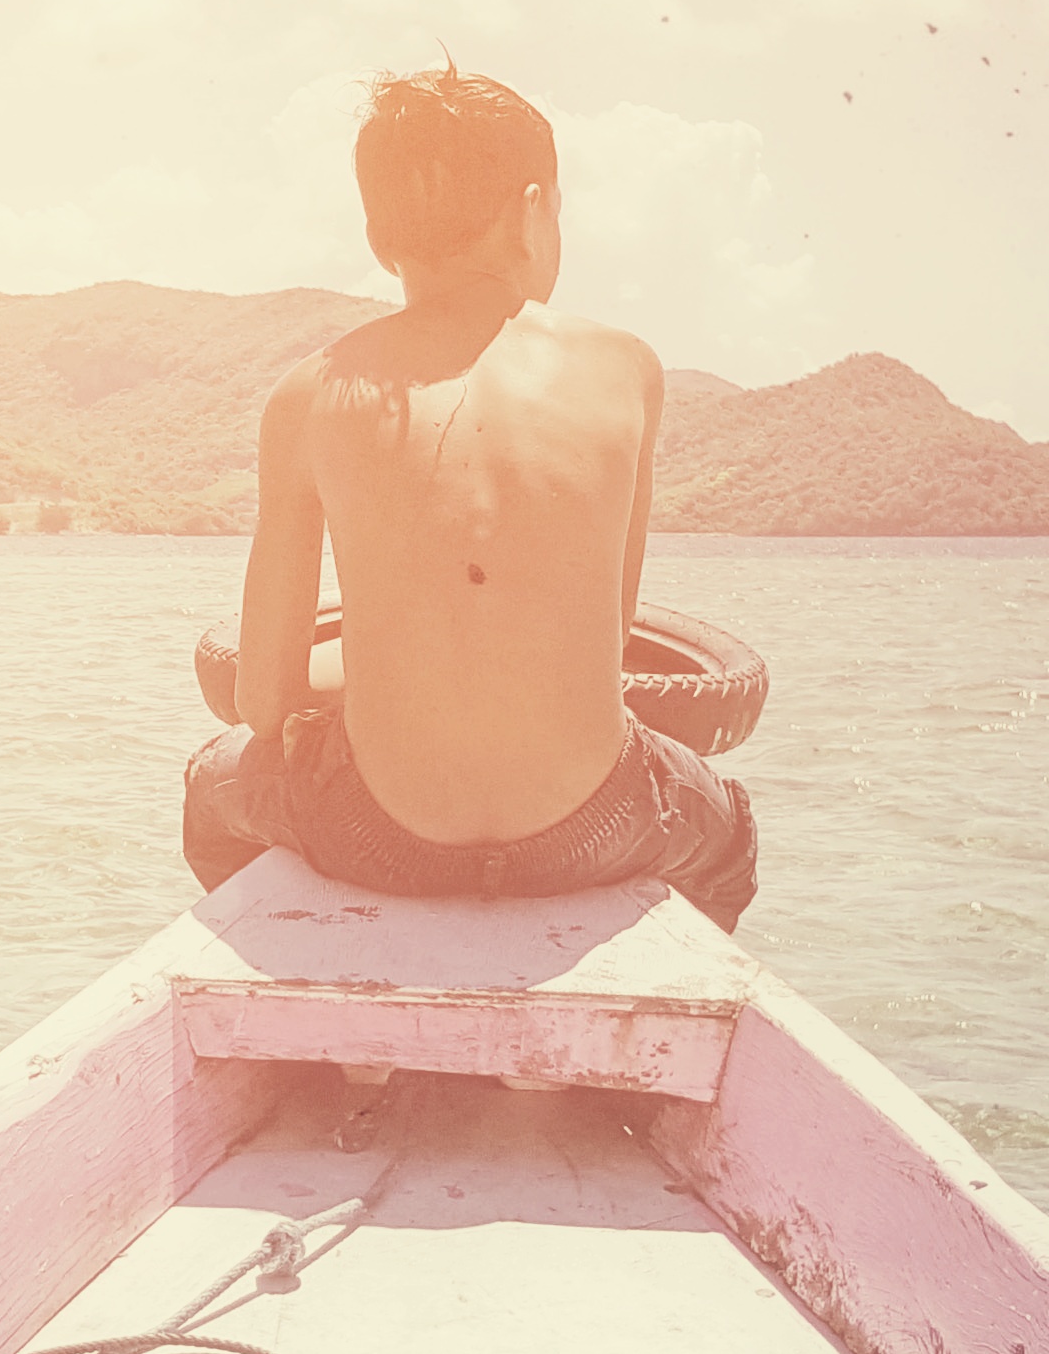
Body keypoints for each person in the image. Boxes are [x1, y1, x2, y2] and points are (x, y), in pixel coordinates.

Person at [182, 67, 758, 929]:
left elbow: (263, 705)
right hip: (588, 831)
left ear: (378, 237)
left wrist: (386, 666)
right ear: (531, 212)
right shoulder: (625, 369)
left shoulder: (307, 395)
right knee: (726, 835)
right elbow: (602, 645)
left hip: (378, 838)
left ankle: (301, 957)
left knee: (211, 785)